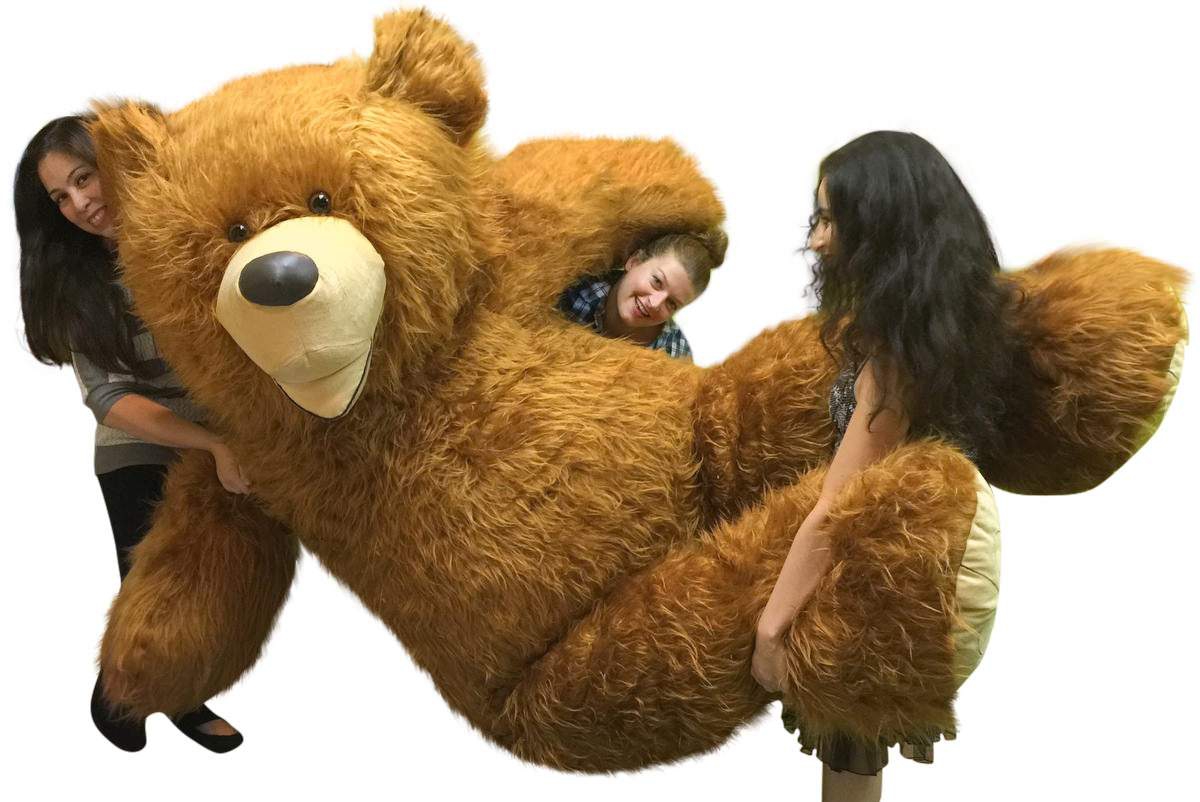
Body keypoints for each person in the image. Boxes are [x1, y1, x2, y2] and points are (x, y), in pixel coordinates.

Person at [750, 131, 1026, 801]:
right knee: (853, 752)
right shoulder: (940, 325)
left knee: (851, 750)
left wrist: (770, 629)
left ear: (881, 225)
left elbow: (838, 505)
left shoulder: (897, 358)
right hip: (912, 555)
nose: (817, 239)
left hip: (893, 567)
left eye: (831, 220)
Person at [15, 114, 250, 753]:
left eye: (83, 178)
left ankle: (152, 688)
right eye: (60, 197)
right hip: (139, 443)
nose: (78, 203)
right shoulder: (78, 280)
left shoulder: (196, 229)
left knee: (226, 584)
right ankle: (145, 699)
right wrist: (212, 446)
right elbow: (109, 399)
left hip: (228, 431)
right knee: (160, 591)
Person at [558, 229, 727, 359]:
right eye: (657, 281)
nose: (654, 303)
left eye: (671, 303)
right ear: (634, 262)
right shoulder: (572, 291)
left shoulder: (676, 353)